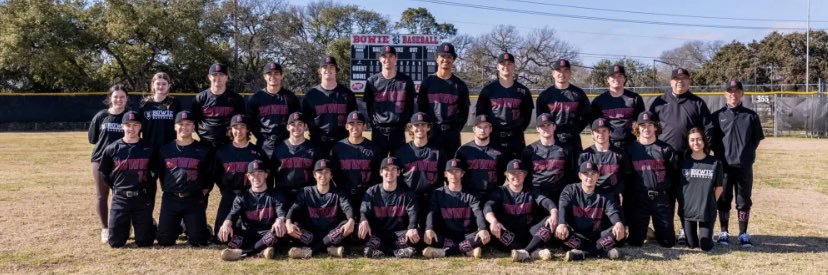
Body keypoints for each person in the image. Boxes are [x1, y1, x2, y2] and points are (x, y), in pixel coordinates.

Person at [648, 67, 714, 244]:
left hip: (688, 159)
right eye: (677, 79)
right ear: (670, 82)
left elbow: (708, 128)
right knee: (667, 196)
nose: (680, 82)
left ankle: (686, 230)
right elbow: (648, 125)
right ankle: (668, 230)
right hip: (663, 158)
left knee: (686, 196)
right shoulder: (660, 101)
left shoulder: (697, 103)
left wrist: (702, 151)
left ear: (689, 82)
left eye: (684, 79)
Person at [711, 80, 764, 247]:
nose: (733, 94)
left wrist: (744, 155)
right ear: (725, 94)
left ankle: (743, 233)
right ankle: (724, 232)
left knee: (743, 200)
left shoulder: (751, 115)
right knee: (724, 199)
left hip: (743, 166)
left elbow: (755, 140)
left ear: (742, 93)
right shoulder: (717, 116)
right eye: (730, 91)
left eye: (737, 91)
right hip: (724, 167)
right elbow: (713, 141)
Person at [98, 111, 157, 247]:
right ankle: (124, 227)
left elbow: (155, 171)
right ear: (122, 126)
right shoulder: (112, 148)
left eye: (135, 125)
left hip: (141, 198)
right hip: (120, 199)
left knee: (145, 242)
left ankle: (150, 224)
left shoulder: (149, 148)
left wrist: (145, 186)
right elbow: (104, 173)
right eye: (128, 125)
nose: (132, 128)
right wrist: (117, 187)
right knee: (115, 243)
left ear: (140, 126)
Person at [156, 111, 213, 247]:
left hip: (193, 199)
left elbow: (209, 175)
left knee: (198, 241)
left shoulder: (203, 149)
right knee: (164, 241)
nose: (184, 127)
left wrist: (202, 192)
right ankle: (179, 226)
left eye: (188, 124)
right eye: (180, 124)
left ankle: (199, 227)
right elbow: (161, 173)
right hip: (171, 198)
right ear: (175, 127)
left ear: (194, 127)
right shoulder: (165, 149)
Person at [484, 159, 557, 262]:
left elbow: (547, 202)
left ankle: (525, 252)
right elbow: (488, 207)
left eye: (520, 173)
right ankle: (533, 251)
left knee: (550, 220)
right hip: (509, 233)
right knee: (491, 224)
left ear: (525, 175)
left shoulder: (532, 189)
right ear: (507, 175)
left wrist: (554, 214)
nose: (516, 176)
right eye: (512, 173)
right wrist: (493, 221)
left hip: (529, 233)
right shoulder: (500, 191)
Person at [624, 111, 679, 248]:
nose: (646, 128)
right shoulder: (630, 150)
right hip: (639, 199)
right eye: (642, 125)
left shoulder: (666, 149)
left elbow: (674, 175)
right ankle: (643, 231)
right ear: (637, 127)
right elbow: (626, 178)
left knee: (668, 243)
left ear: (656, 127)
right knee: (635, 242)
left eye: (650, 125)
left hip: (660, 199)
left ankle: (654, 233)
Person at [285, 159, 356, 259]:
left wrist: (351, 220)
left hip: (331, 233)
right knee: (295, 225)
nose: (323, 175)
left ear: (331, 175)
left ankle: (310, 251)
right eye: (320, 172)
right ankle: (329, 249)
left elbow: (347, 206)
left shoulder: (339, 192)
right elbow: (294, 208)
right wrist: (288, 222)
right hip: (311, 234)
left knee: (345, 223)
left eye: (327, 172)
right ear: (314, 174)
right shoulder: (306, 191)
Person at [212, 114, 268, 239]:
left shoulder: (257, 152)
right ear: (230, 130)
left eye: (242, 127)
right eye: (235, 127)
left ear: (248, 129)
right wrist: (225, 189)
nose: (239, 131)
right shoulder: (222, 152)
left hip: (251, 196)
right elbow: (216, 174)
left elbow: (266, 173)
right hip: (229, 195)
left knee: (251, 232)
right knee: (220, 236)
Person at [218, 160, 288, 261]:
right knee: (224, 233)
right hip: (247, 233)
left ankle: (243, 252)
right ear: (248, 176)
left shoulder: (276, 194)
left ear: (266, 175)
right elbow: (233, 213)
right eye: (252, 174)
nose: (256, 177)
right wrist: (226, 222)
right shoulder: (242, 196)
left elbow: (281, 212)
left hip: (267, 233)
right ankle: (262, 250)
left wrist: (280, 220)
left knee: (279, 231)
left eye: (260, 173)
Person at [555, 161, 626, 261]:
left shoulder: (605, 194)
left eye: (593, 174)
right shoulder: (570, 190)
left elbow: (612, 211)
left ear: (598, 176)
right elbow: (563, 207)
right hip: (576, 235)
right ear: (580, 175)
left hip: (598, 235)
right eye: (586, 174)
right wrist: (561, 223)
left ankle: (583, 254)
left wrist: (618, 222)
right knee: (560, 232)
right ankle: (601, 250)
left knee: (617, 230)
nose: (590, 177)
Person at [422, 159, 490, 259]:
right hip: (446, 235)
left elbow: (477, 212)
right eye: (450, 172)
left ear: (462, 174)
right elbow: (432, 212)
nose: (453, 175)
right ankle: (467, 251)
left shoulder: (471, 194)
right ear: (445, 174)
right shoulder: (438, 193)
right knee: (428, 236)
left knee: (481, 236)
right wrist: (429, 228)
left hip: (466, 235)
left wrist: (483, 228)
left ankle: (443, 252)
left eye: (457, 171)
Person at [88, 84, 129, 243]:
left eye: (122, 97)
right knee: (101, 195)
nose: (119, 99)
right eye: (116, 97)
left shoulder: (130, 116)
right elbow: (93, 139)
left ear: (127, 99)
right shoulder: (101, 116)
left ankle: (122, 226)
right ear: (110, 99)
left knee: (123, 196)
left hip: (124, 161)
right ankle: (105, 228)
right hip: (101, 160)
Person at [358, 157, 420, 258]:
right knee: (359, 229)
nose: (389, 172)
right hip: (376, 233)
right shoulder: (372, 191)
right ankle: (396, 251)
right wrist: (363, 220)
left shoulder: (407, 193)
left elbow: (413, 212)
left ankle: (379, 251)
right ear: (381, 172)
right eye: (386, 169)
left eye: (393, 169)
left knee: (417, 234)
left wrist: (411, 227)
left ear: (398, 172)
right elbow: (364, 210)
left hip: (398, 234)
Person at [475, 52, 534, 160]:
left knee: (517, 171)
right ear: (497, 67)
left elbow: (527, 116)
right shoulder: (489, 90)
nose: (506, 66)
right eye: (503, 64)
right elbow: (481, 114)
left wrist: (516, 128)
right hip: (494, 137)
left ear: (514, 66)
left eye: (509, 63)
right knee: (494, 174)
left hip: (515, 138)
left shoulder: (523, 91)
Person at [417, 42, 470, 156]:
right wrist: (428, 129)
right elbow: (421, 109)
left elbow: (464, 113)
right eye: (443, 56)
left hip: (452, 134)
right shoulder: (427, 83)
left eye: (449, 57)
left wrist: (454, 129)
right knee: (432, 168)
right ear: (436, 58)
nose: (446, 59)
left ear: (453, 60)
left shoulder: (460, 85)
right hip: (432, 132)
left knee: (452, 169)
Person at [363, 45, 417, 158]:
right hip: (379, 132)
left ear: (396, 59)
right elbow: (368, 106)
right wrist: (375, 124)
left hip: (398, 131)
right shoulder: (371, 81)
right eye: (384, 56)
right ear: (380, 59)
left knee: (399, 165)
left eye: (391, 56)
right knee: (378, 167)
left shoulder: (406, 81)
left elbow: (410, 106)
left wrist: (403, 123)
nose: (387, 59)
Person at [394, 112, 445, 226]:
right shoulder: (401, 152)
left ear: (428, 127)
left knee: (431, 232)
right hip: (409, 199)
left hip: (431, 199)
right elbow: (397, 178)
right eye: (416, 125)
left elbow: (443, 177)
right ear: (411, 127)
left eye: (423, 125)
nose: (420, 128)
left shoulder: (438, 152)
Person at [301, 56, 358, 157]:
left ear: (336, 70)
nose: (328, 70)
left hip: (343, 143)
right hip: (317, 143)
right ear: (320, 71)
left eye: (332, 67)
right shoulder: (311, 95)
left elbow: (354, 120)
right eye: (325, 67)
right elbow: (304, 120)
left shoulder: (347, 94)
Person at [680, 128, 723, 252]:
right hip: (688, 210)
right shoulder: (683, 163)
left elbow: (719, 187)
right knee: (691, 245)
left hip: (706, 209)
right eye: (692, 140)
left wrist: (710, 202)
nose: (696, 143)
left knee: (705, 245)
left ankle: (709, 236)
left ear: (704, 141)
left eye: (699, 139)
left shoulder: (715, 162)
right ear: (688, 142)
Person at [246, 62, 300, 159]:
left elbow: (297, 121)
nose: (273, 76)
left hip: (286, 143)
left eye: (276, 73)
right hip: (263, 144)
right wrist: (260, 136)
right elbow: (250, 122)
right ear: (264, 76)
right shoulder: (256, 98)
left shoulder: (290, 98)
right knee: (263, 173)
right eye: (269, 73)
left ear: (282, 75)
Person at [536, 58, 591, 153]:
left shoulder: (578, 93)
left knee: (575, 167)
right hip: (552, 139)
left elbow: (587, 115)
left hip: (573, 139)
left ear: (570, 73)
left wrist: (575, 130)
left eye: (566, 70)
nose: (562, 73)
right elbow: (541, 118)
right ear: (553, 73)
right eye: (559, 70)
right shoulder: (545, 96)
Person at [329, 111, 379, 211]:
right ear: (347, 126)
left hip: (367, 194)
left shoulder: (373, 148)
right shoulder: (338, 148)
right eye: (351, 124)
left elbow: (377, 175)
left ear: (364, 126)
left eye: (359, 124)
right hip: (344, 194)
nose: (355, 127)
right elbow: (333, 173)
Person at [190, 63, 246, 149]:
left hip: (228, 144)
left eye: (221, 74)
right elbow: (194, 122)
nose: (218, 77)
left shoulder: (236, 98)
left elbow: (240, 122)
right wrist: (202, 135)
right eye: (214, 74)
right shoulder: (200, 98)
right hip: (205, 144)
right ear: (209, 77)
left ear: (227, 77)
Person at [521, 113, 575, 203]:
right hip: (538, 194)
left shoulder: (566, 149)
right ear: (537, 129)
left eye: (549, 125)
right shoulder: (529, 150)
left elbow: (571, 174)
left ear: (554, 126)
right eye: (542, 125)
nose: (546, 128)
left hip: (561, 193)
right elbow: (526, 177)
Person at [590, 65, 646, 148]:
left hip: (631, 143)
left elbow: (641, 122)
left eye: (620, 76)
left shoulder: (635, 98)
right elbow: (594, 124)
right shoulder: (599, 101)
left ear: (624, 79)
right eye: (613, 76)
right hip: (608, 144)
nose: (616, 79)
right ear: (608, 79)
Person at [578, 118, 632, 201]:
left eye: (604, 131)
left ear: (610, 132)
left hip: (612, 198)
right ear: (592, 134)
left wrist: (615, 191)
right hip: (592, 200)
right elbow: (580, 180)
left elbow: (626, 178)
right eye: (597, 131)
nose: (601, 134)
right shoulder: (584, 155)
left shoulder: (620, 154)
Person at [454, 114, 506, 199]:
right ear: (474, 129)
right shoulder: (463, 150)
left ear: (491, 129)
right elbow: (457, 173)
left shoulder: (500, 151)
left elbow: (502, 174)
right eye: (479, 127)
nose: (482, 130)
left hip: (492, 194)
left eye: (486, 127)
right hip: (469, 195)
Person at [272, 112, 319, 203]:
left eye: (300, 124)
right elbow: (271, 174)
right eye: (293, 124)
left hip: (307, 194)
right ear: (288, 127)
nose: (296, 127)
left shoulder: (314, 148)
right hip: (283, 194)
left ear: (305, 127)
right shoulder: (279, 148)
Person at [139, 72, 181, 148]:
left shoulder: (175, 103)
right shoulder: (144, 104)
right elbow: (138, 127)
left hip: (170, 148)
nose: (161, 86)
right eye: (158, 83)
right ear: (153, 85)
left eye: (164, 84)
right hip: (148, 148)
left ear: (169, 86)